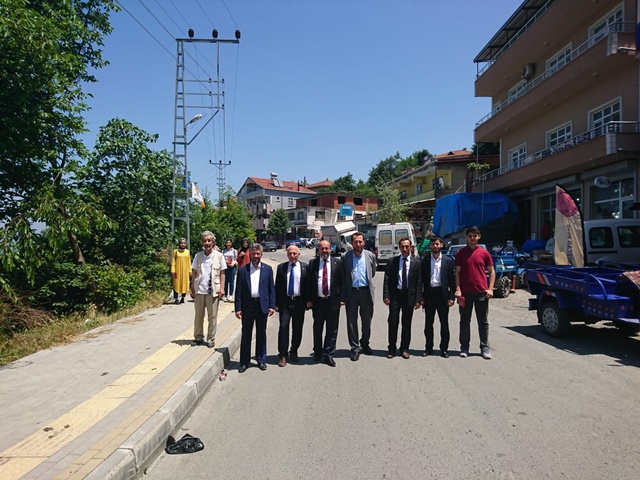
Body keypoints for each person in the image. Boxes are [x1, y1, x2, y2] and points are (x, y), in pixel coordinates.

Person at [454, 226, 495, 359]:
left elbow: (492, 272)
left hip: (481, 293)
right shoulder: (460, 253)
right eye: (470, 236)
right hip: (465, 294)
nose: (472, 238)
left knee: (483, 322)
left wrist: (490, 288)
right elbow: (457, 272)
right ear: (466, 237)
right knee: (464, 321)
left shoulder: (484, 253)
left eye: (475, 236)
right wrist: (458, 289)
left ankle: (485, 348)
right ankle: (464, 347)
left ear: (479, 237)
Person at [234, 243, 275, 372]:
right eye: (253, 254)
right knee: (246, 334)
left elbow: (271, 289)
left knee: (261, 334)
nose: (256, 256)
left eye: (258, 254)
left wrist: (272, 306)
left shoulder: (268, 269)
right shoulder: (243, 270)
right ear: (250, 254)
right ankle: (244, 362)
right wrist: (238, 308)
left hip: (262, 305)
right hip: (248, 306)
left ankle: (261, 359)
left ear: (261, 254)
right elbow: (238, 291)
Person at [383, 237, 422, 359]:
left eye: (407, 246)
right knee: (393, 322)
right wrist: (386, 295)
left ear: (411, 247)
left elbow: (419, 283)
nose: (404, 249)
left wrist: (418, 299)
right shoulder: (392, 261)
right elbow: (387, 280)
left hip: (409, 297)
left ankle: (404, 349)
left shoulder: (417, 263)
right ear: (399, 247)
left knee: (406, 324)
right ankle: (392, 349)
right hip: (395, 296)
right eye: (402, 247)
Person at [306, 239, 342, 367]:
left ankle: (328, 355)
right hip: (318, 303)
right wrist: (308, 300)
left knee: (332, 330)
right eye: (322, 248)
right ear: (318, 250)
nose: (324, 251)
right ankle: (317, 353)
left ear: (330, 249)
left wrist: (342, 298)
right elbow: (308, 283)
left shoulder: (338, 263)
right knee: (318, 328)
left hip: (333, 302)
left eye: (327, 248)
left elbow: (342, 281)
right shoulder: (313, 263)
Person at [341, 231, 377, 361]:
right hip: (351, 293)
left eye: (360, 241)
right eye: (355, 242)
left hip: (366, 292)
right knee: (351, 321)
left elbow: (372, 273)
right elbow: (343, 275)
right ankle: (355, 347)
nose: (358, 244)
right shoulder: (345, 257)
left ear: (364, 242)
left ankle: (365, 343)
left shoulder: (370, 256)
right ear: (352, 243)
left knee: (367, 320)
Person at [189, 231, 226, 348]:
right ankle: (198, 337)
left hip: (213, 291)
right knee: (198, 316)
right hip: (200, 290)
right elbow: (194, 273)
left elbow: (222, 273)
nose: (207, 243)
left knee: (212, 316)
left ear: (213, 242)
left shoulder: (219, 256)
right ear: (202, 242)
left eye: (209, 240)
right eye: (204, 241)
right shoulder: (198, 256)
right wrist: (192, 288)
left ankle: (210, 338)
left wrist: (222, 288)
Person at [275, 245, 310, 367]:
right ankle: (283, 355)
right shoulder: (281, 268)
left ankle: (294, 351)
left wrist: (309, 301)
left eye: (294, 253)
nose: (292, 256)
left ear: (298, 254)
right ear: (287, 254)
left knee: (297, 328)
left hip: (299, 303)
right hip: (285, 303)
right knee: (283, 328)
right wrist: (276, 304)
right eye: (290, 253)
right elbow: (277, 286)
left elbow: (308, 285)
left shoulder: (305, 267)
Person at [421, 235, 455, 358]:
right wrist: (421, 297)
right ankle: (428, 348)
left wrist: (451, 297)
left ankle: (444, 349)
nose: (435, 246)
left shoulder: (448, 261)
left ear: (441, 245)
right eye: (433, 244)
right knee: (428, 324)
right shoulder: (425, 260)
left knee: (444, 323)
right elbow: (421, 280)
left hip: (442, 295)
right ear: (430, 246)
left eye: (437, 244)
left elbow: (452, 281)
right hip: (429, 294)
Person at [171, 238, 191, 304]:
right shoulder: (175, 251)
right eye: (181, 243)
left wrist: (190, 270)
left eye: (184, 243)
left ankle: (183, 297)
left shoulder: (187, 251)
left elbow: (189, 261)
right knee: (176, 284)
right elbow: (173, 261)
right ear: (179, 244)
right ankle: (176, 298)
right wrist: (173, 269)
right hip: (177, 270)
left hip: (185, 270)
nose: (183, 244)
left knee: (184, 283)